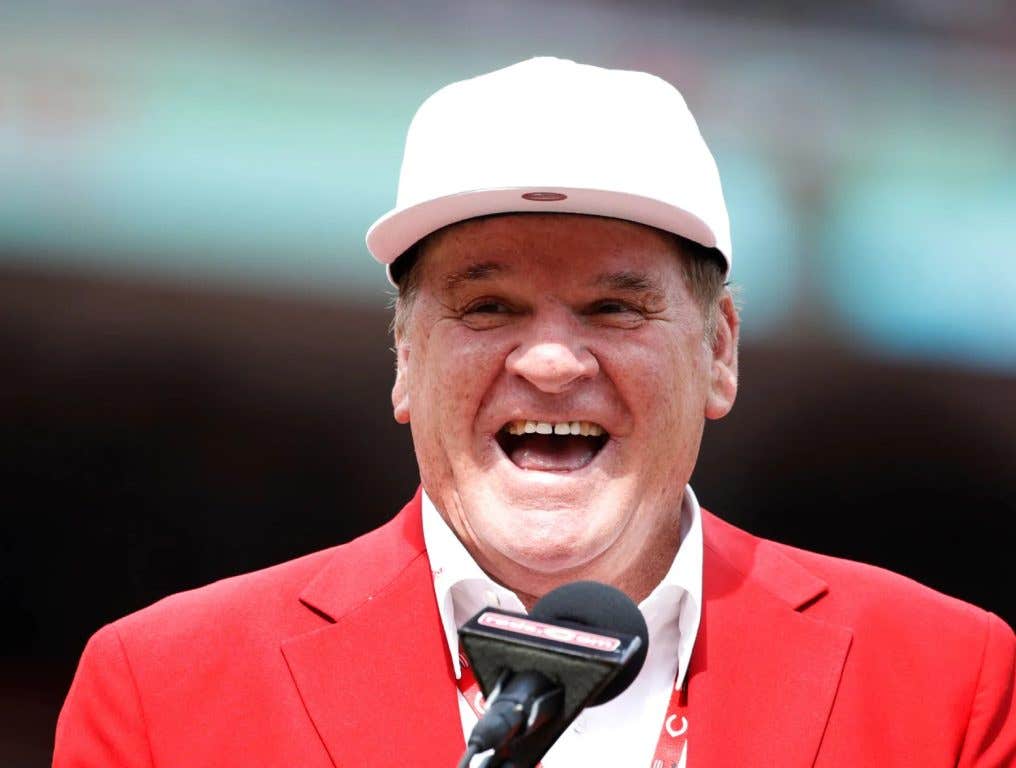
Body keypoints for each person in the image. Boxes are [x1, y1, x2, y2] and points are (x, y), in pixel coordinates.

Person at [55, 57, 1013, 768]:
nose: (552, 362)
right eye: (488, 307)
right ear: (402, 357)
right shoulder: (162, 690)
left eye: (613, 308)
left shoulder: (947, 679)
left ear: (720, 351)